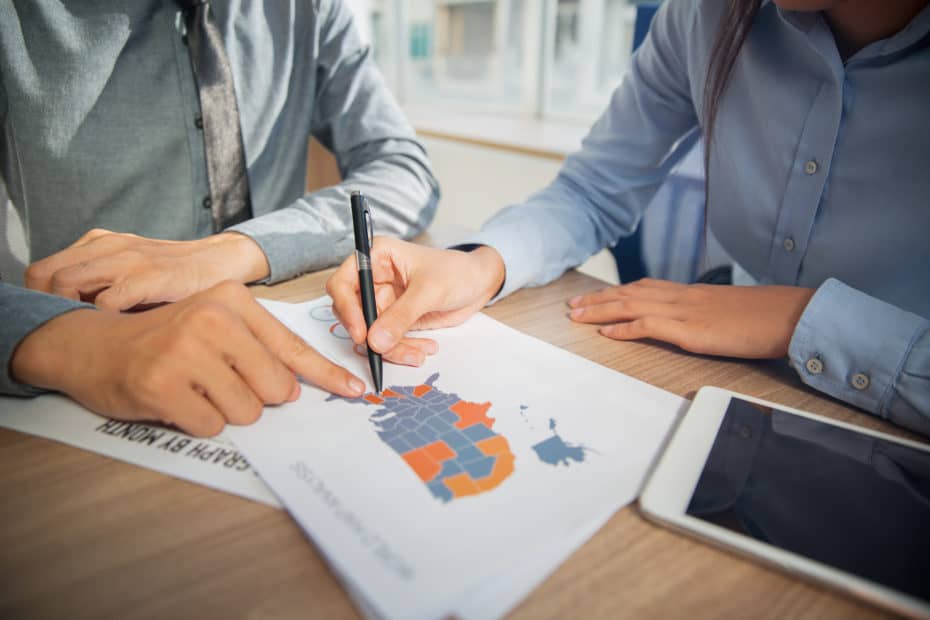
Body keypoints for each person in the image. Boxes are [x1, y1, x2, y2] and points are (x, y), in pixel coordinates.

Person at [328, 0, 930, 435]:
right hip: (740, 391)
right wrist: (482, 265)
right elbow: (593, 190)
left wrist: (801, 319)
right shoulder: (706, 17)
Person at [0, 1, 439, 436]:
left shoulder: (308, 9)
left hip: (277, 367)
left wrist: (238, 250)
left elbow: (404, 168)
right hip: (90, 393)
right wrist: (72, 341)